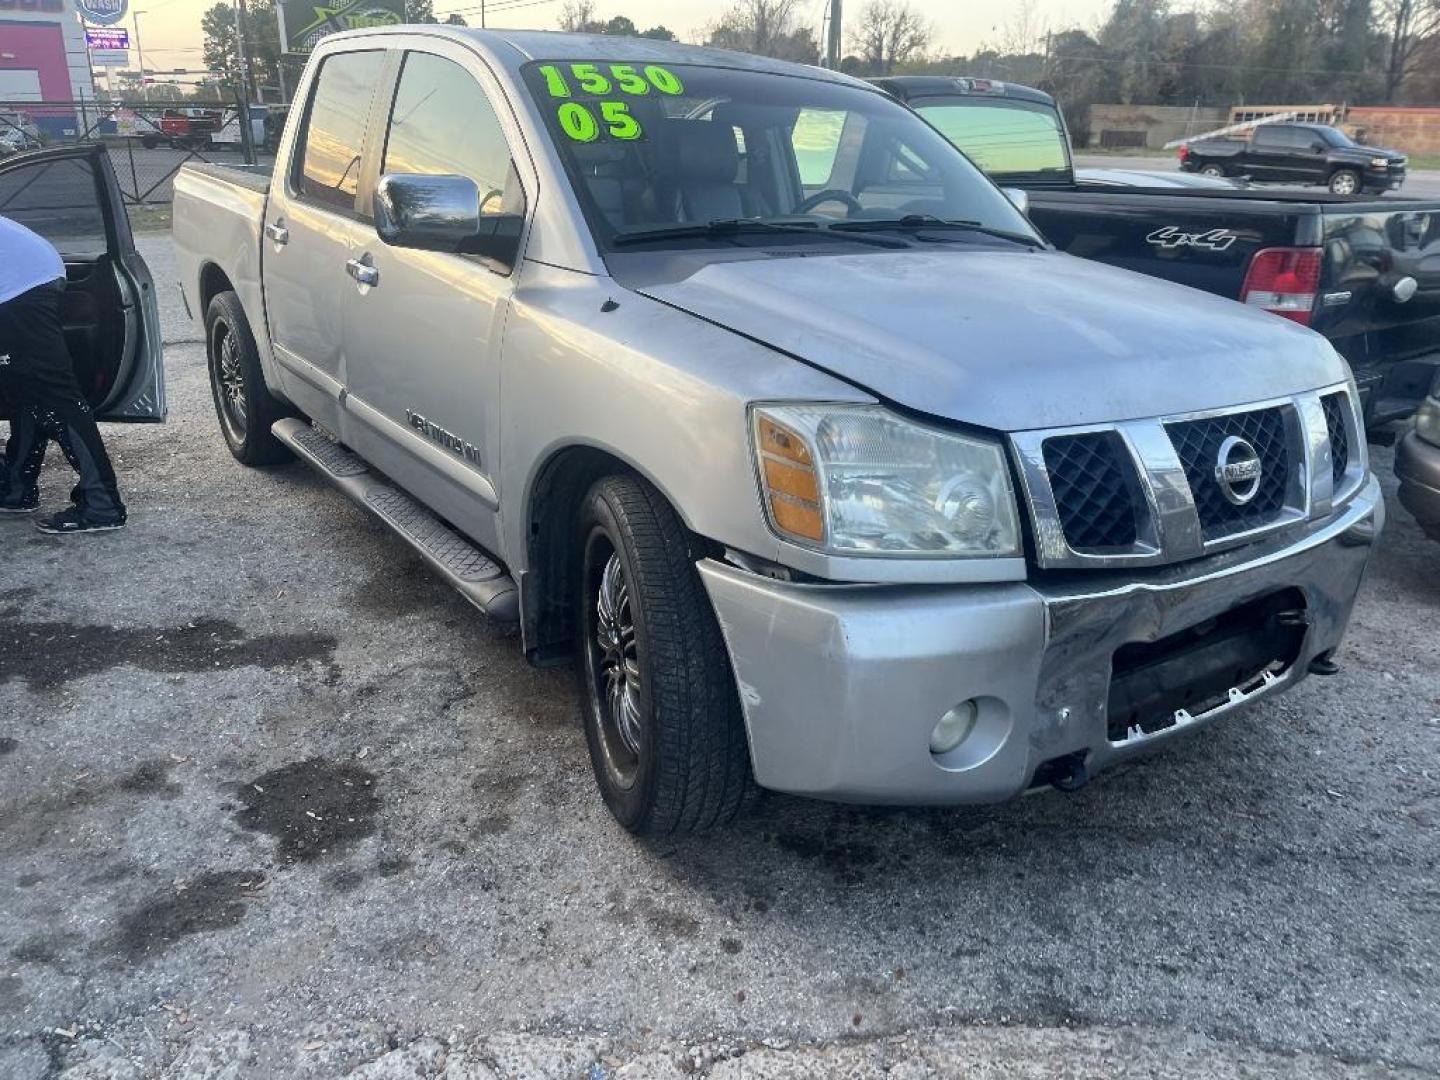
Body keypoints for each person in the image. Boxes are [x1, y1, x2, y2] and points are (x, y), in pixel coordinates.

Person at [0, 213, 126, 533]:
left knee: (54, 393)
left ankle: (102, 504)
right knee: (24, 387)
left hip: (21, 284)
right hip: (30, 273)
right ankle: (16, 489)